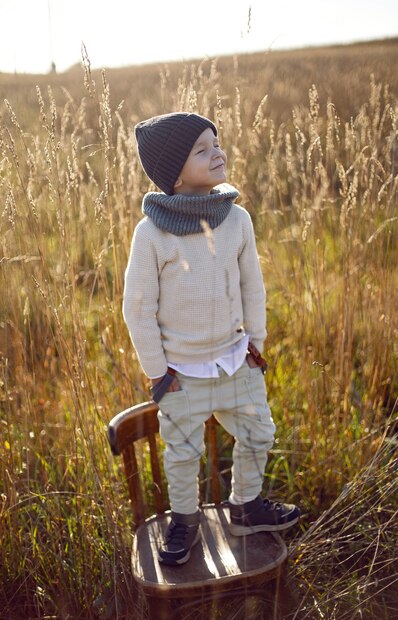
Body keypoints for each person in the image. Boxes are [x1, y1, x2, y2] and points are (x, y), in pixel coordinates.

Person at [123, 112, 300, 566]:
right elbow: (137, 308)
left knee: (259, 432)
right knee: (183, 454)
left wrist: (255, 342)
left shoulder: (236, 218)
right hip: (182, 373)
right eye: (200, 150)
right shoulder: (152, 233)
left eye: (215, 143)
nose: (216, 152)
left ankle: (246, 504)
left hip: (237, 360)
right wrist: (159, 374)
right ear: (174, 173)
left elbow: (252, 287)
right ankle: (185, 521)